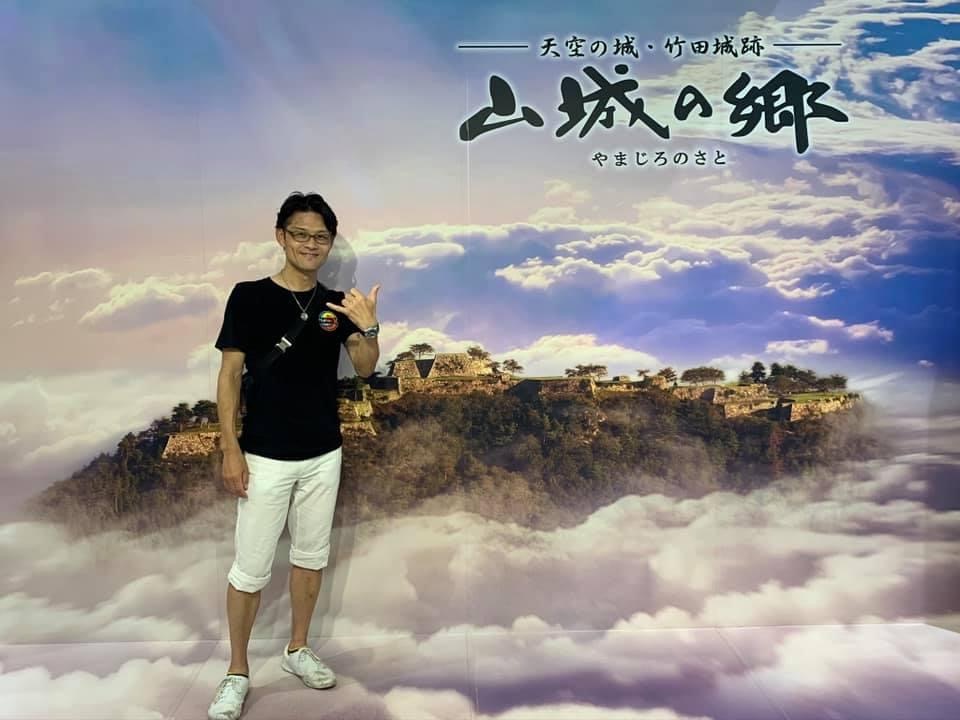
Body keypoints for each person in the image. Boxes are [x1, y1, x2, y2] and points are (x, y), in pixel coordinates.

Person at [207, 192, 381, 720]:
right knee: (250, 569)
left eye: (320, 237)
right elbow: (229, 375)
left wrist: (368, 325)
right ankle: (237, 671)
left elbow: (365, 366)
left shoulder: (337, 303)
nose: (310, 244)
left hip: (323, 451)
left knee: (310, 557)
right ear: (281, 236)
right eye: (300, 234)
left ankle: (298, 648)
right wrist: (231, 447)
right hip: (264, 454)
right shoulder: (249, 296)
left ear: (330, 243)